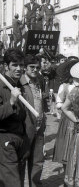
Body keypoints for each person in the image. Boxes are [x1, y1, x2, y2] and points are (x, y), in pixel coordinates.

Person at [0, 49, 27, 187]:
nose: (19, 68)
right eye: (14, 65)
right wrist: (11, 101)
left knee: (19, 180)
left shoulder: (20, 85)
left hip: (20, 138)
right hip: (5, 139)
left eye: (21, 65)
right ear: (6, 66)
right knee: (12, 182)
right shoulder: (0, 85)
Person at [20, 54, 46, 187]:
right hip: (25, 128)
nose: (35, 70)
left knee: (37, 161)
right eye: (32, 67)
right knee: (22, 161)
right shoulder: (19, 82)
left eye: (37, 67)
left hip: (39, 127)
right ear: (25, 68)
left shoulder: (40, 80)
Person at [52, 59, 79, 168]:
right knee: (67, 147)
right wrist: (69, 106)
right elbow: (59, 103)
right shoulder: (64, 86)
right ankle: (67, 174)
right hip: (68, 119)